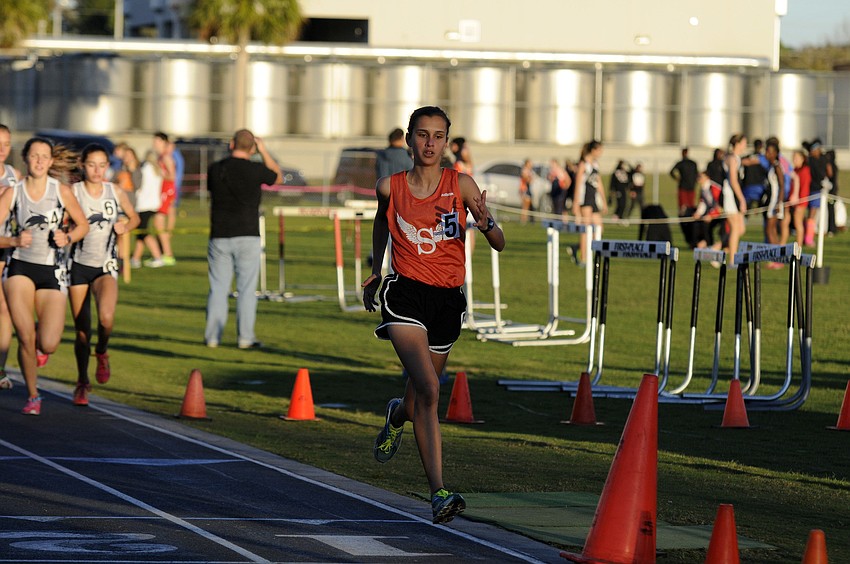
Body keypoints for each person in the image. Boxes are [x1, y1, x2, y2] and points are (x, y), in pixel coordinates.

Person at [362, 106, 505, 525]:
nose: (429, 143)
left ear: (447, 140)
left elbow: (498, 242)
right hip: (405, 295)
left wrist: (484, 219)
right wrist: (376, 270)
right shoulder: (389, 187)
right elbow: (381, 224)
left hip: (446, 302)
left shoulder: (459, 184)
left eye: (437, 135)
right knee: (429, 387)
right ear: (408, 139)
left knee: (417, 398)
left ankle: (396, 416)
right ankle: (438, 492)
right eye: (421, 135)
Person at [0, 137, 89, 415]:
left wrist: (68, 236)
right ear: (25, 158)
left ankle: (40, 350)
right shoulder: (13, 193)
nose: (39, 161)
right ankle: (33, 395)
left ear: (51, 162)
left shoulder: (61, 191)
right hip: (20, 268)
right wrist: (13, 241)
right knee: (26, 336)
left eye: (44, 157)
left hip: (52, 270)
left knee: (48, 341)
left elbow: (83, 224)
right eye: (34, 155)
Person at [69, 144, 140, 406]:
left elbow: (134, 218)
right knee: (82, 331)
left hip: (105, 265)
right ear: (82, 164)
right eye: (92, 165)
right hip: (77, 265)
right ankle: (82, 381)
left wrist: (125, 225)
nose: (97, 170)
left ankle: (102, 351)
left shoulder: (114, 191)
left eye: (102, 165)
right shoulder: (73, 192)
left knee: (107, 319)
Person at [205, 129, 282, 349]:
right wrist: (264, 151)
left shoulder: (215, 169)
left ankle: (213, 337)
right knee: (247, 289)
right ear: (252, 148)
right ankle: (245, 337)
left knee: (218, 288)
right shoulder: (256, 169)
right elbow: (276, 176)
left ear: (231, 144)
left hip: (219, 234)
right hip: (247, 233)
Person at [0, 125, 21, 390]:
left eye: (6, 143)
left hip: (6, 248)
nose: (2, 149)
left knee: (5, 309)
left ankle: (1, 368)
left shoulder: (14, 176)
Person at [572, 140, 607, 265]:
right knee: (586, 229)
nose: (601, 153)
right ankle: (583, 257)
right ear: (593, 150)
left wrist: (604, 201)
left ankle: (581, 248)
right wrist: (576, 203)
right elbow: (578, 184)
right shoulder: (583, 164)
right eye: (599, 150)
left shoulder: (595, 164)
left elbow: (599, 183)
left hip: (594, 199)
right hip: (585, 200)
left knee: (599, 229)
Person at [130, 151, 166, 268]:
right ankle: (135, 259)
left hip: (143, 205)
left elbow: (138, 186)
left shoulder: (144, 170)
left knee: (143, 232)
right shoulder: (158, 171)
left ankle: (157, 256)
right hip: (153, 204)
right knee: (141, 232)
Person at [722, 134, 748, 266]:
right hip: (731, 196)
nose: (745, 145)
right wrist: (742, 199)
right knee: (735, 228)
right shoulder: (732, 158)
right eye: (744, 143)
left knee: (740, 228)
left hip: (734, 195)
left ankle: (716, 248)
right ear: (737, 143)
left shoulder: (736, 158)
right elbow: (733, 180)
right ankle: (732, 260)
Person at [152, 132, 177, 265]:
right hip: (162, 191)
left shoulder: (166, 157)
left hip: (166, 191)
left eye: (157, 141)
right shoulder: (160, 157)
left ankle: (168, 254)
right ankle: (162, 253)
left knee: (159, 222)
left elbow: (172, 177)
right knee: (159, 224)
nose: (154, 144)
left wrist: (159, 174)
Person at [783, 150, 811, 250]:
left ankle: (798, 247)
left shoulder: (805, 171)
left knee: (798, 223)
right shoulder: (795, 170)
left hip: (801, 201)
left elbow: (804, 188)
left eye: (796, 158)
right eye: (793, 158)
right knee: (785, 221)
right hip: (791, 201)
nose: (794, 160)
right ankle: (782, 244)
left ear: (802, 159)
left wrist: (798, 201)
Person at [670, 147, 699, 214]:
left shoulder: (681, 163)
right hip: (691, 186)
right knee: (690, 205)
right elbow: (696, 174)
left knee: (682, 206)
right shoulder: (693, 163)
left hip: (683, 187)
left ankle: (684, 220)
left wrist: (677, 179)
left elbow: (671, 172)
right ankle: (690, 219)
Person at [519, 158, 535, 224]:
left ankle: (528, 220)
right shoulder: (525, 170)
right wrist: (530, 178)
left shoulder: (529, 171)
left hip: (527, 189)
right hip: (524, 189)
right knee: (525, 206)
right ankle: (523, 220)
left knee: (528, 205)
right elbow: (527, 180)